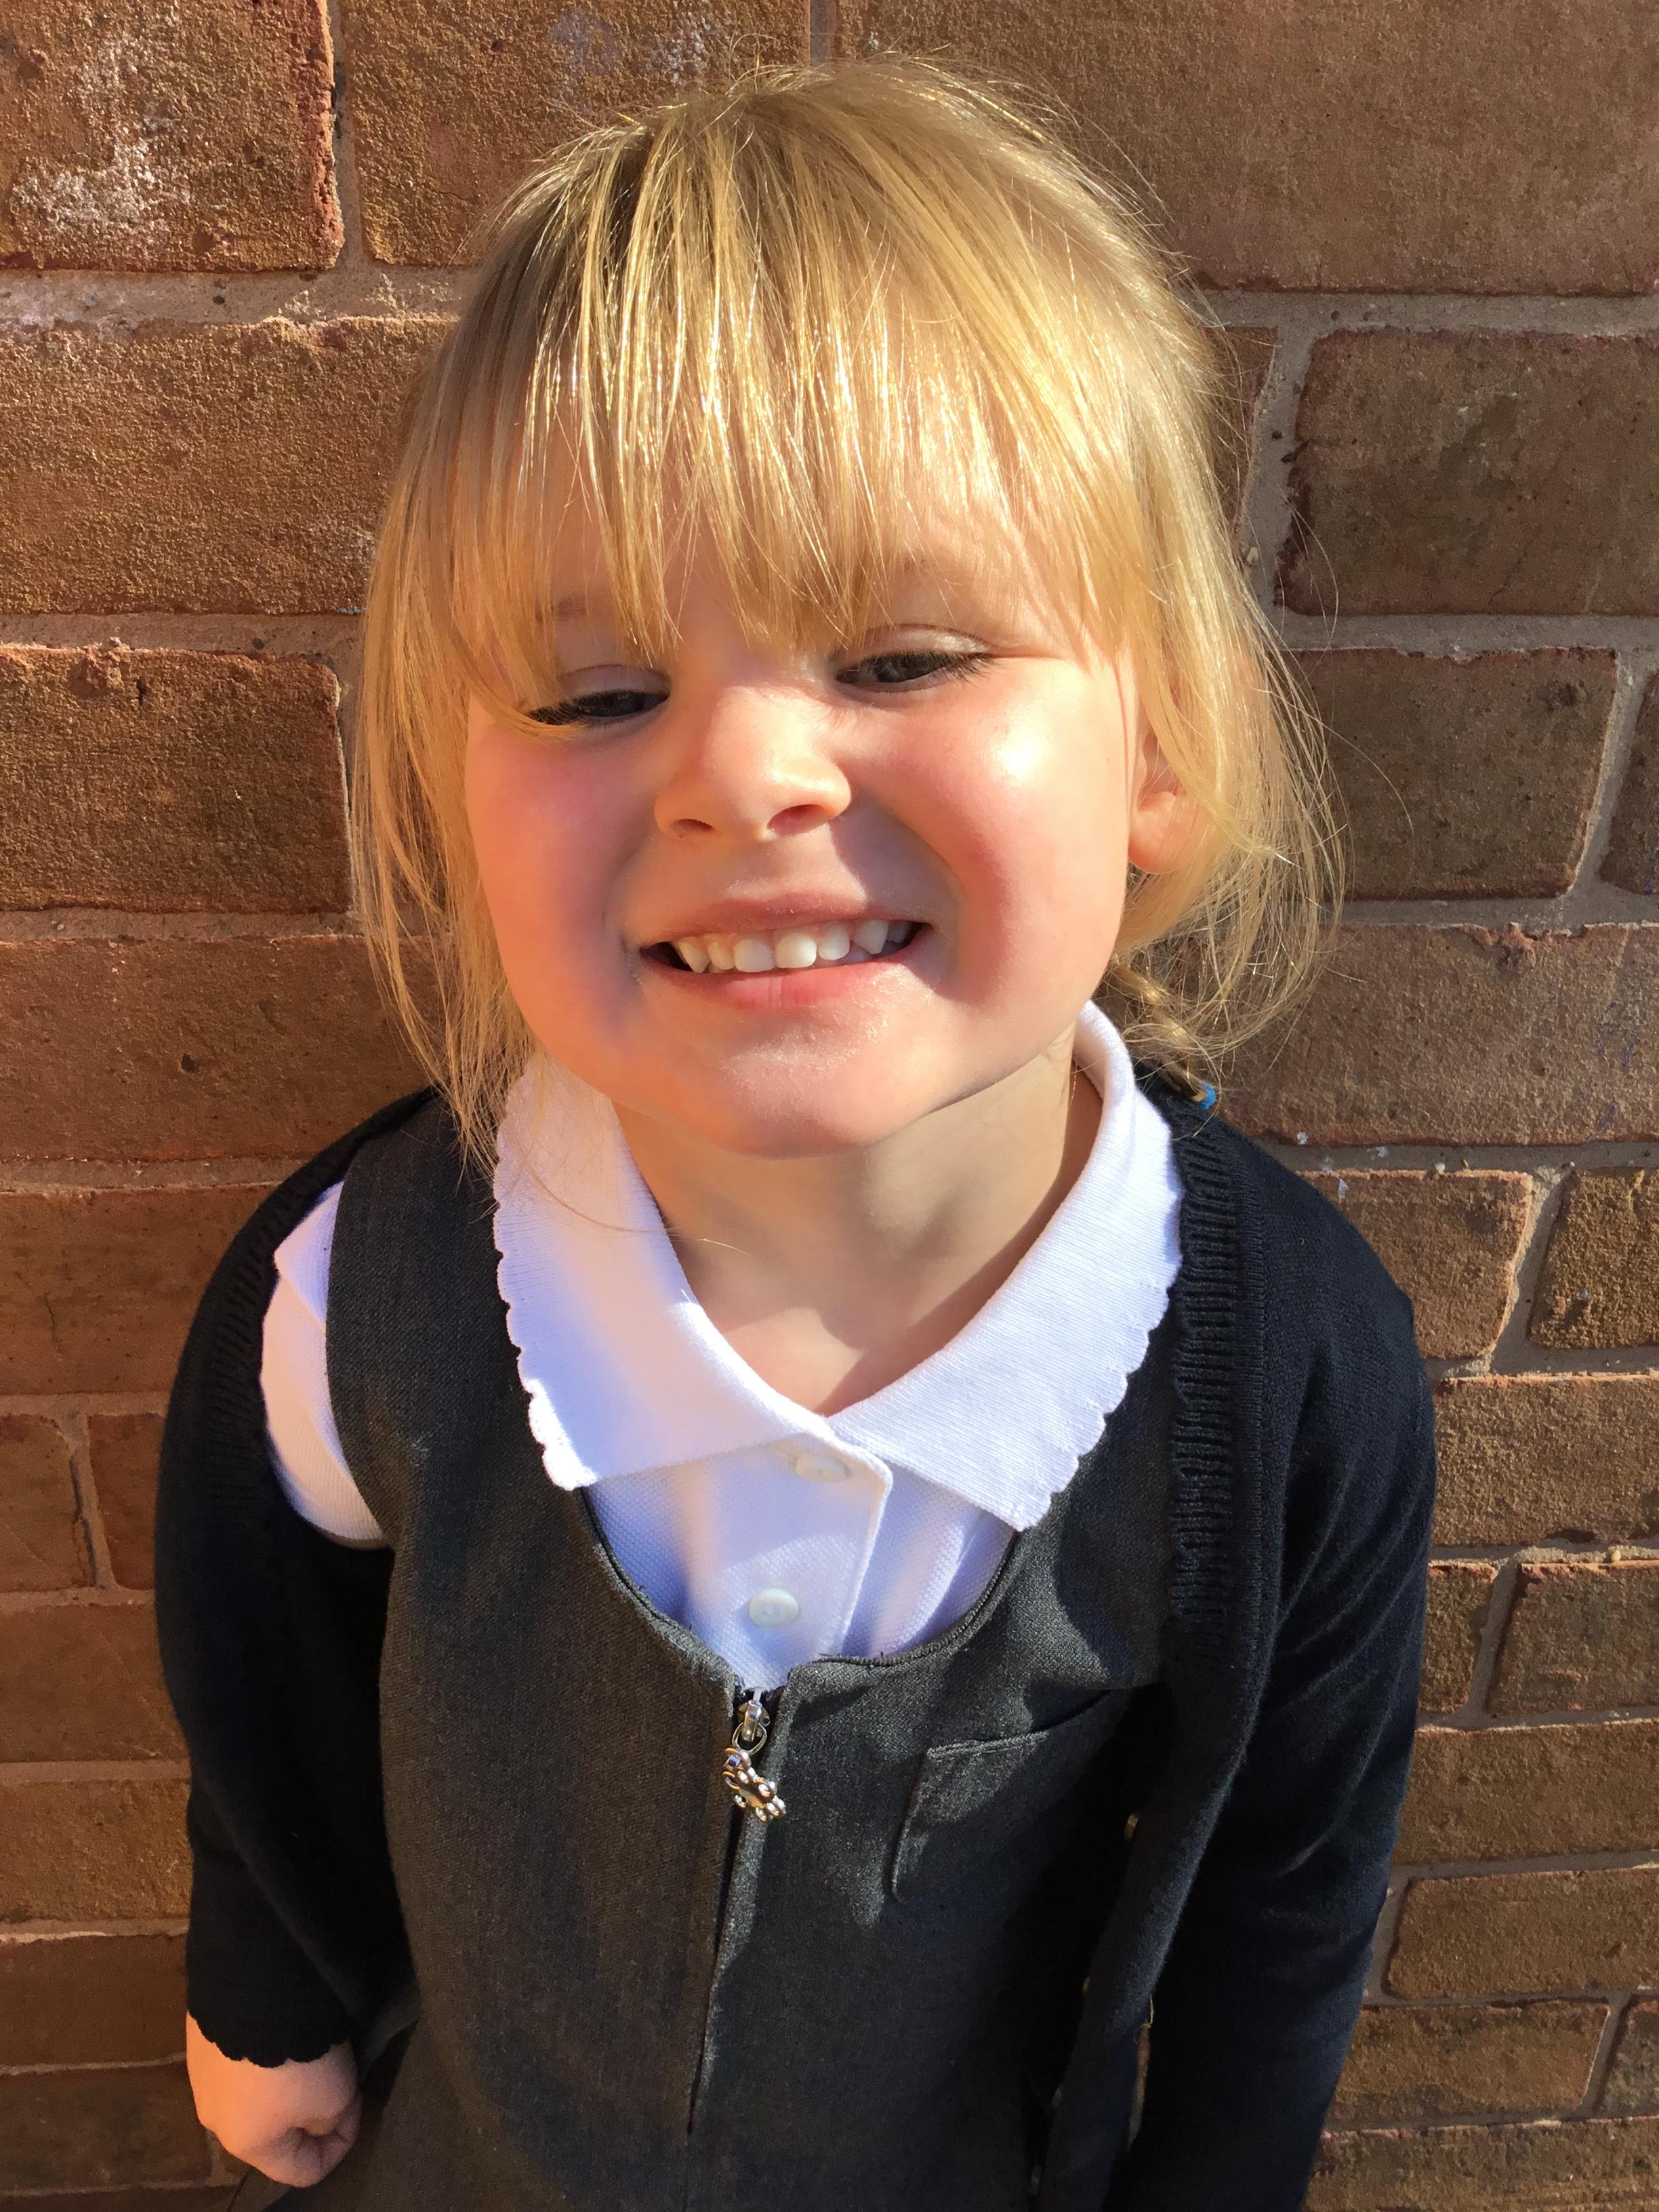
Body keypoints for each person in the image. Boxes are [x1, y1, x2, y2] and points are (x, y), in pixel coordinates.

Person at [153, 50, 1435, 2212]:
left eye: (907, 654)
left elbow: (1287, 1886)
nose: (747, 776)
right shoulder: (359, 1289)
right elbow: (259, 1635)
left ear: (1158, 751)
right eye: (597, 693)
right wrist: (262, 1968)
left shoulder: (1283, 1375)